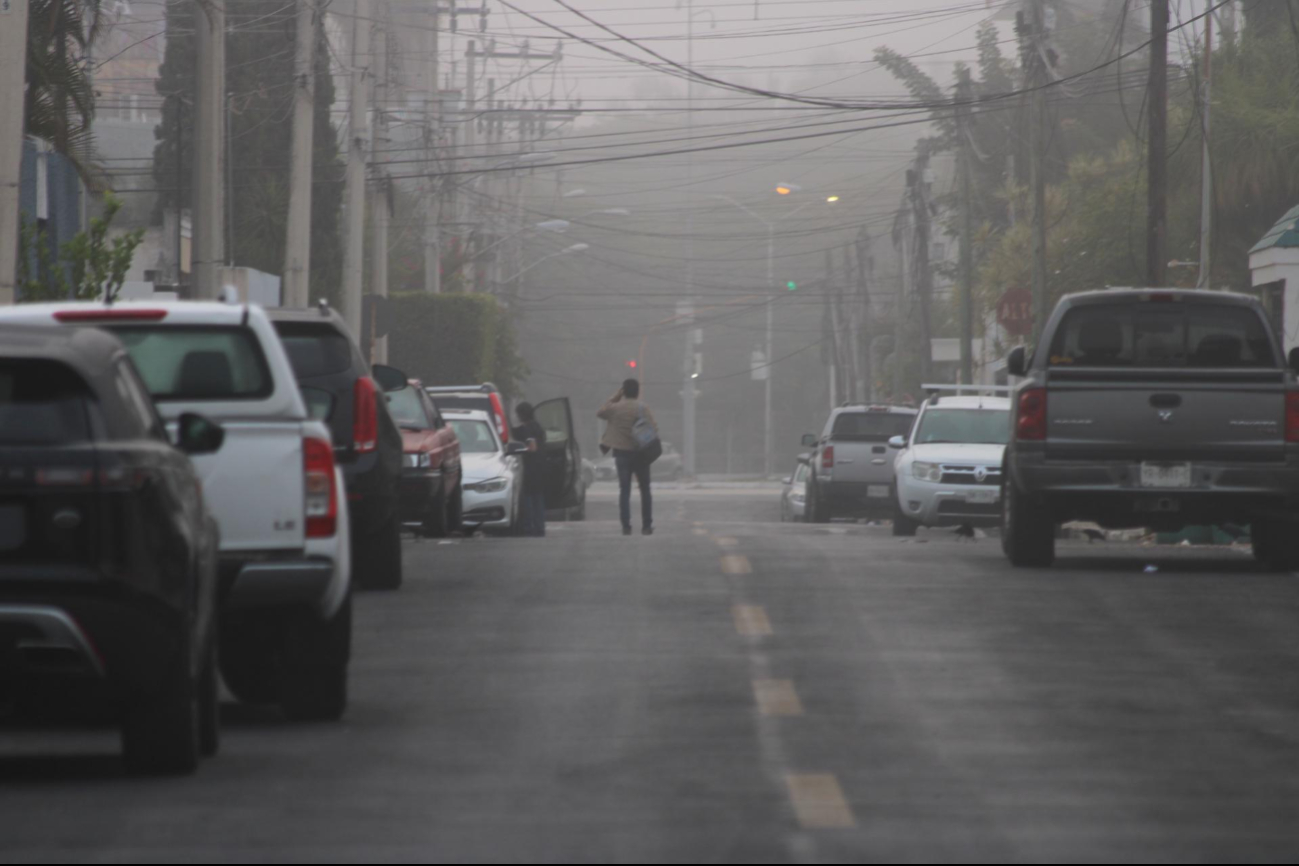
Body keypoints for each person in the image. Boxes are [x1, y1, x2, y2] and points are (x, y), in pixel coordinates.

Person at [597, 378, 658, 536]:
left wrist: (616, 396)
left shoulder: (615, 408)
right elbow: (654, 428)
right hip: (641, 455)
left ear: (624, 391)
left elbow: (600, 412)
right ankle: (646, 526)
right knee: (645, 489)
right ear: (637, 392)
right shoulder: (642, 408)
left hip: (622, 454)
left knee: (624, 490)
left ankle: (626, 526)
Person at [512, 402, 548, 537]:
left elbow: (532, 447)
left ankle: (529, 527)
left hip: (530, 467)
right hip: (541, 466)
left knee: (528, 497)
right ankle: (540, 527)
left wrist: (522, 449)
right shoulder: (538, 427)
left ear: (522, 414)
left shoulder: (527, 429)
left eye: (517, 414)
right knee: (538, 497)